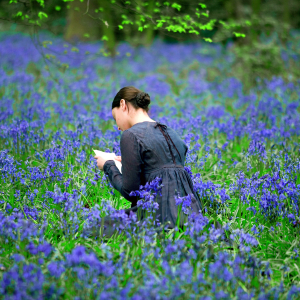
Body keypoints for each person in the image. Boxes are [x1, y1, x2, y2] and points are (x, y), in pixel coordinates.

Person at [94, 86, 202, 236]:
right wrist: (128, 164)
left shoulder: (131, 135)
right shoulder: (171, 133)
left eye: (115, 118)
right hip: (191, 217)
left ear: (123, 105)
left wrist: (108, 165)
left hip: (157, 216)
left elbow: (131, 192)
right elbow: (163, 172)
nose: (118, 126)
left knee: (96, 227)